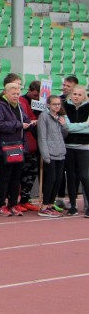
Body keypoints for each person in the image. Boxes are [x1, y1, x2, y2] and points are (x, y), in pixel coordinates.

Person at [0, 83, 32, 216]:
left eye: (18, 94)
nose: (16, 96)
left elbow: (25, 119)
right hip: (3, 147)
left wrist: (30, 124)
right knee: (4, 176)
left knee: (16, 177)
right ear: (6, 93)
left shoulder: (19, 106)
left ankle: (13, 203)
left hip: (19, 146)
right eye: (13, 94)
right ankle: (2, 204)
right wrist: (19, 125)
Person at [36, 95, 69, 217]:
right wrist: (45, 155)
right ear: (48, 105)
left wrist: (64, 125)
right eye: (54, 104)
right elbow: (42, 137)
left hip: (60, 152)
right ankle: (44, 206)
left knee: (58, 180)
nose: (57, 106)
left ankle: (50, 204)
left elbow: (64, 134)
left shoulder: (59, 117)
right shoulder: (44, 117)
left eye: (59, 104)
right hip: (50, 153)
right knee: (51, 179)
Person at [64, 85, 89, 217]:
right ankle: (72, 206)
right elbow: (67, 127)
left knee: (85, 176)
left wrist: (76, 127)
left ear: (83, 96)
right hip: (69, 146)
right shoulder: (65, 107)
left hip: (85, 147)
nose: (76, 96)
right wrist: (85, 124)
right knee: (71, 177)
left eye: (79, 94)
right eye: (74, 94)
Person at [17, 81, 41, 211]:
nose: (36, 98)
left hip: (33, 143)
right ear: (30, 91)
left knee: (32, 171)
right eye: (35, 95)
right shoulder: (22, 100)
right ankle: (13, 201)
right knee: (19, 173)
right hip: (22, 142)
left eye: (38, 96)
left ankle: (25, 199)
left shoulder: (41, 102)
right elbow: (27, 119)